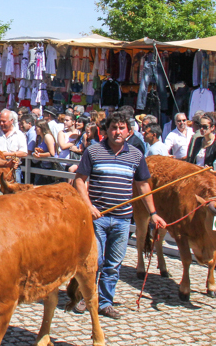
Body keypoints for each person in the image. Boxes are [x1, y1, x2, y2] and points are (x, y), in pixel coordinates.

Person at [73, 111, 166, 319]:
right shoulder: (93, 151)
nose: (117, 131)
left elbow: (143, 185)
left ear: (129, 132)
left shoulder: (136, 155)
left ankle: (105, 302)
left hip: (123, 219)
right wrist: (88, 206)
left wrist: (153, 213)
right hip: (98, 216)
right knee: (94, 261)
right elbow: (80, 180)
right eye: (114, 127)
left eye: (121, 128)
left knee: (113, 264)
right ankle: (86, 297)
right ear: (106, 130)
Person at [0, 109, 28, 180]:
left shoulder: (19, 134)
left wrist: (7, 154)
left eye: (4, 121)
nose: (1, 123)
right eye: (0, 121)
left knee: (15, 189)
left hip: (14, 168)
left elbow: (24, 153)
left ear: (11, 121)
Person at [32, 119, 58, 185]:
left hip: (50, 167)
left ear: (42, 127)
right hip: (42, 165)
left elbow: (52, 153)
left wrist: (40, 155)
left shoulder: (47, 137)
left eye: (36, 128)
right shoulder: (40, 138)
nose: (35, 130)